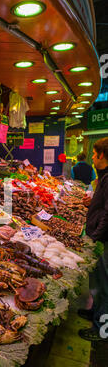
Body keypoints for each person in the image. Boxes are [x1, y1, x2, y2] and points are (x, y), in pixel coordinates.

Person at [78, 137, 108, 341]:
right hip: (101, 237)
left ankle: (101, 328)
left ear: (103, 156)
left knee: (106, 285)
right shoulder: (103, 177)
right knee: (98, 279)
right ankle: (95, 312)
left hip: (105, 239)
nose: (94, 159)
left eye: (95, 155)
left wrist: (96, 237)